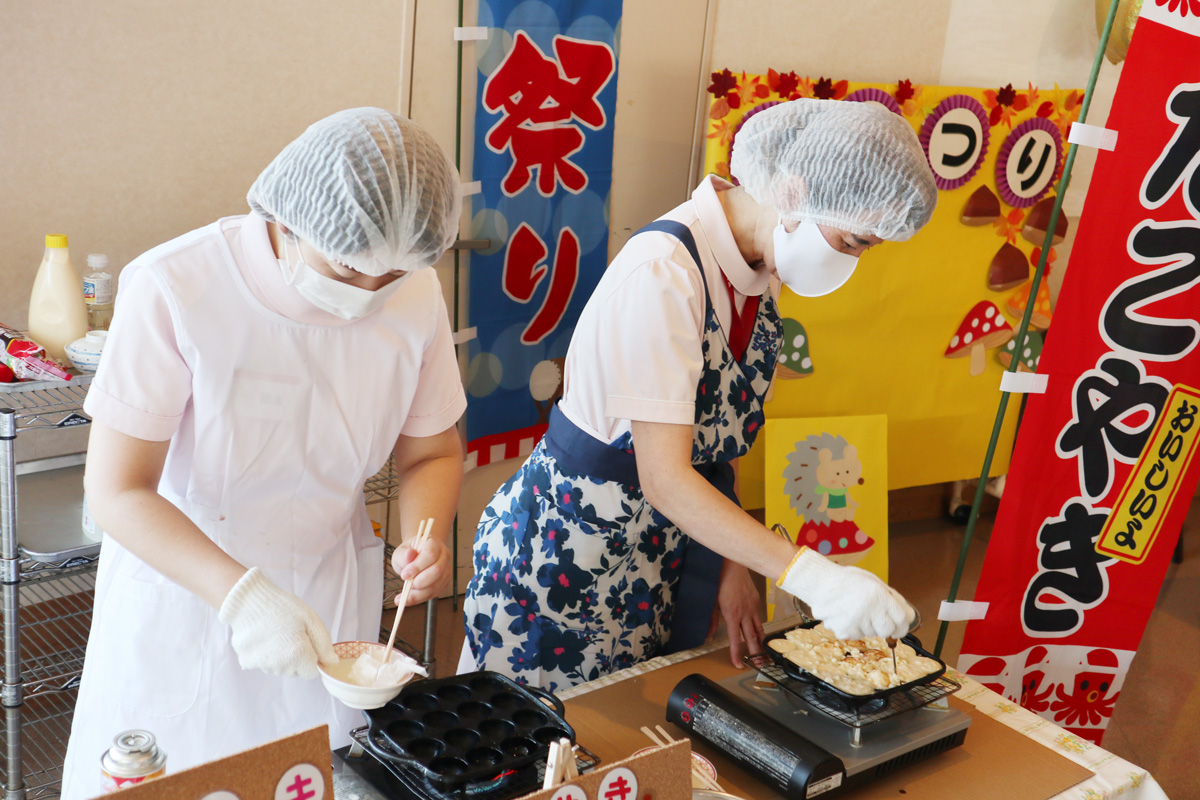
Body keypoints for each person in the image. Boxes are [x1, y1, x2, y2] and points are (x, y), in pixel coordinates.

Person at [462, 99, 939, 692]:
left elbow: (720, 432)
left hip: (657, 544)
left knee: (626, 722)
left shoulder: (761, 270)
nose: (854, 260)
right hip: (569, 548)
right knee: (541, 728)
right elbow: (665, 478)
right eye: (853, 241)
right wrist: (814, 578)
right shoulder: (664, 274)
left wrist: (731, 565)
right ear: (793, 192)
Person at [61, 108, 465, 797]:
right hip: (185, 597)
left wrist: (425, 536)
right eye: (348, 267)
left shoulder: (416, 291)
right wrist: (241, 597)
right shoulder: (175, 285)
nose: (369, 294)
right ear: (292, 219)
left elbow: (431, 451)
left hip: (327, 597)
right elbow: (117, 490)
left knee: (307, 776)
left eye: (392, 275)